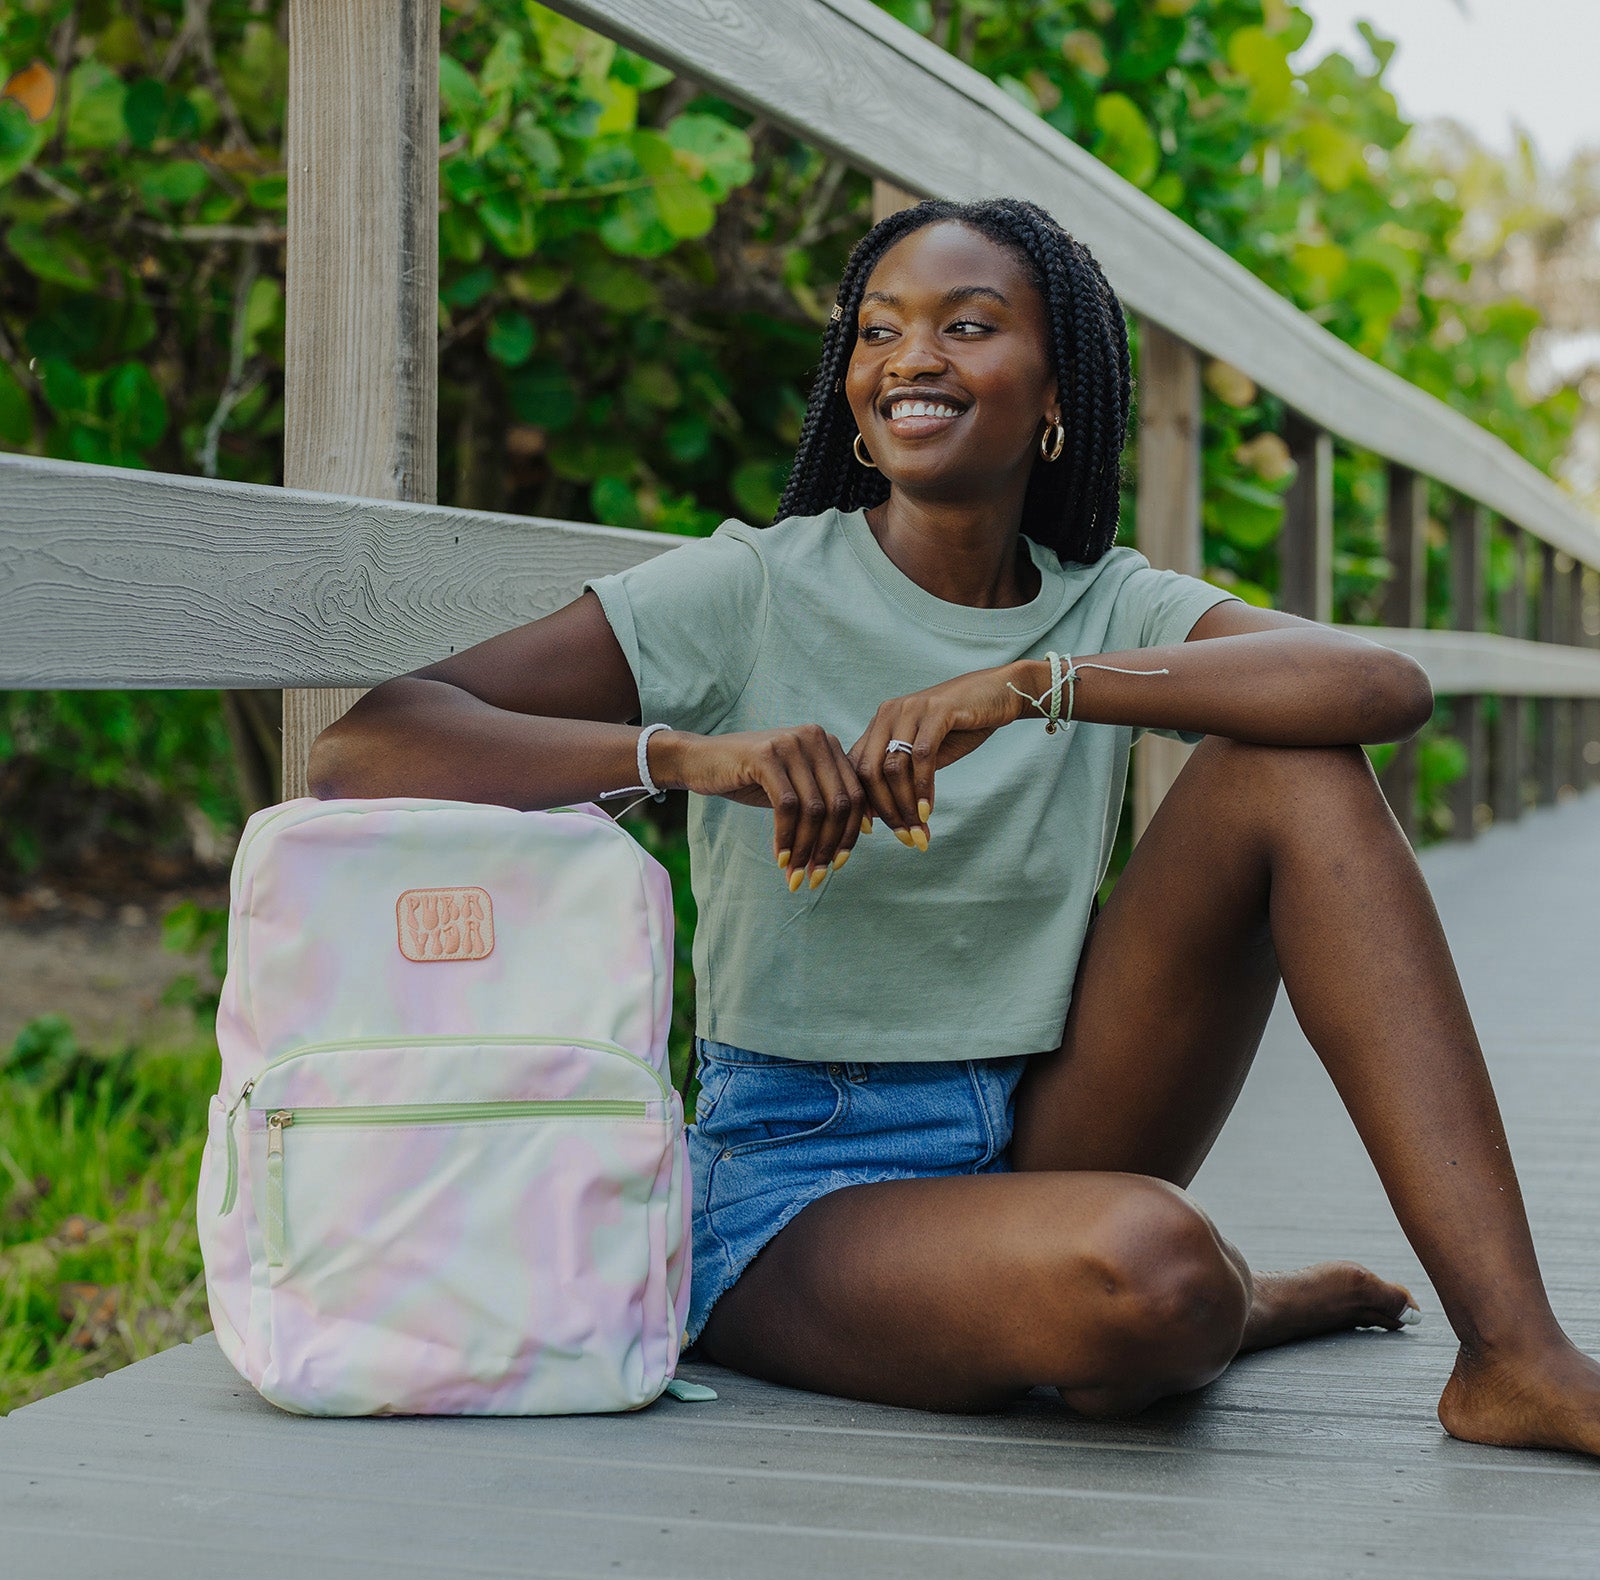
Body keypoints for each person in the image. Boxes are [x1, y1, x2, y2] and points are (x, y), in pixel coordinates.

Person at [309, 196, 1600, 1456]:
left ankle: (1513, 1355)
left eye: (969, 325)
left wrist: (1030, 687)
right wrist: (693, 756)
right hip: (802, 1177)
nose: (912, 358)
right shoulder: (752, 589)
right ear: (855, 395)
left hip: (1051, 1118)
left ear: (1056, 396)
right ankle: (1218, 1305)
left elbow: (1380, 687)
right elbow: (367, 745)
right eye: (878, 331)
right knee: (1160, 1279)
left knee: (1298, 773)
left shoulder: (1105, 608)